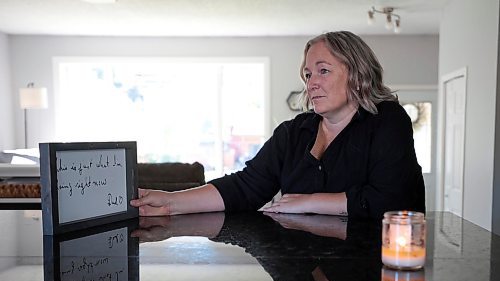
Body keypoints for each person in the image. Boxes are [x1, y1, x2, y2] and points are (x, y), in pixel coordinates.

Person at [131, 31, 425, 219]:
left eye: (323, 70)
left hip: (372, 268)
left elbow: (392, 202)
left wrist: (310, 202)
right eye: (308, 74)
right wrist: (171, 202)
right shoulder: (294, 133)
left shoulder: (387, 120)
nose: (312, 83)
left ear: (358, 74)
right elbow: (245, 187)